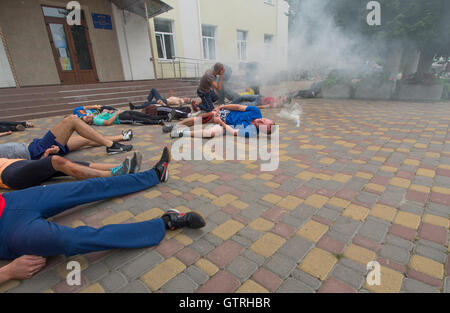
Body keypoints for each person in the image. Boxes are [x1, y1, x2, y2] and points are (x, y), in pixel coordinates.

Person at [0, 147, 206, 284]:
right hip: (9, 233)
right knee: (74, 240)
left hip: (13, 201)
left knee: (85, 187)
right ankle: (165, 223)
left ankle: (154, 174)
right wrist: (7, 273)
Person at [0, 115, 133, 160]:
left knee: (85, 139)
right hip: (37, 151)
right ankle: (111, 146)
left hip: (35, 146)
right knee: (71, 120)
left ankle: (122, 137)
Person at [0, 151, 142, 190]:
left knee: (71, 164)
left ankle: (122, 165)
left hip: (22, 165)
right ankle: (115, 174)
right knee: (57, 161)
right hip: (9, 174)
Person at [163, 104, 274, 139]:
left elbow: (233, 132)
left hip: (225, 126)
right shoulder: (256, 111)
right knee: (203, 118)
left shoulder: (252, 131)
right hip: (224, 114)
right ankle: (175, 125)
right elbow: (238, 107)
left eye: (264, 125)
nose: (262, 121)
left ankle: (180, 134)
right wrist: (221, 107)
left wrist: (220, 122)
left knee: (211, 133)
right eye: (264, 120)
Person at [84, 108, 172, 127]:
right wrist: (116, 114)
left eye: (86, 115)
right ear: (89, 122)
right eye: (86, 118)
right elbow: (107, 123)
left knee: (144, 115)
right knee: (140, 120)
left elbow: (106, 116)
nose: (88, 116)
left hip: (122, 113)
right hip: (120, 118)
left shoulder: (97, 115)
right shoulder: (96, 120)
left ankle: (165, 117)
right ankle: (158, 122)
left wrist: (108, 112)